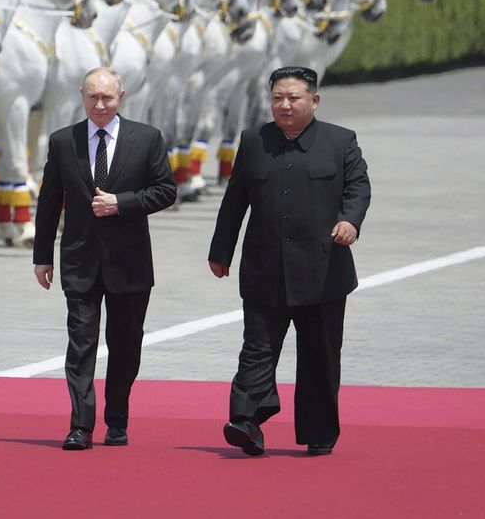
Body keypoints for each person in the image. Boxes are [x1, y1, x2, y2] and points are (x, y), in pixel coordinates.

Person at [208, 66, 371, 458]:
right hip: (265, 270)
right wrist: (220, 251)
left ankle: (318, 433)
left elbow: (358, 187)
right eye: (278, 98)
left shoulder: (340, 141)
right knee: (257, 350)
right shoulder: (253, 141)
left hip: (323, 272)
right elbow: (235, 200)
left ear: (314, 100)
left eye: (294, 98)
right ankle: (246, 422)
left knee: (319, 355)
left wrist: (349, 220)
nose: (285, 105)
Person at [33, 67, 177, 450]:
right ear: (82, 96)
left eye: (107, 98)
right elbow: (49, 202)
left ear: (121, 97)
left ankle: (117, 418)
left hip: (129, 263)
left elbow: (165, 191)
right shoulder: (64, 141)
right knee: (80, 343)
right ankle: (80, 426)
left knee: (126, 344)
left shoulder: (146, 139)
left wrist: (122, 204)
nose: (100, 105)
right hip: (80, 261)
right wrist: (42, 255)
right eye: (93, 97)